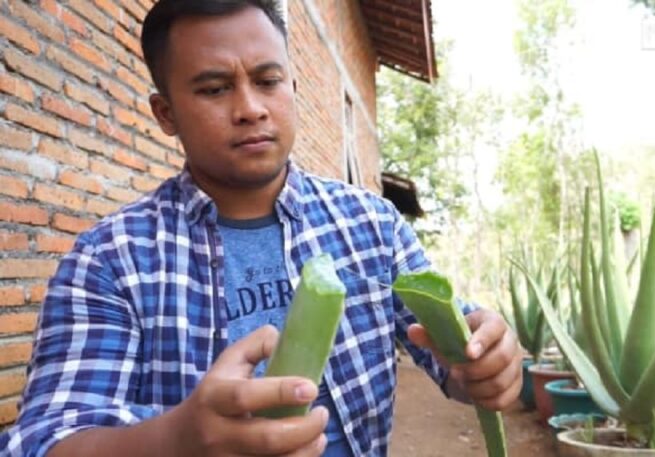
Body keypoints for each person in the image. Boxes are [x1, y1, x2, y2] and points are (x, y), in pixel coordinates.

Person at [0, 1, 523, 456]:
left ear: (291, 88)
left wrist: (479, 365)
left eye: (268, 81)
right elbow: (44, 438)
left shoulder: (373, 224)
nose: (250, 109)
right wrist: (176, 442)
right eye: (214, 88)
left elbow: (451, 360)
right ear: (166, 113)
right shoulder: (110, 260)